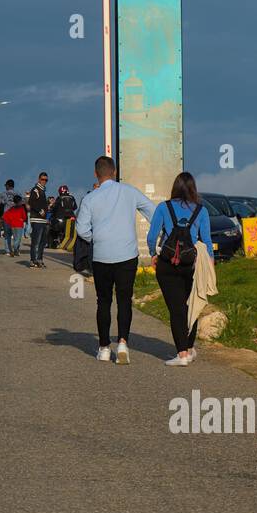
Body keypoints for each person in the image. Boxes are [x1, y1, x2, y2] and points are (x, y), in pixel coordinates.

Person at [77, 155, 156, 365]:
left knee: (103, 301)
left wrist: (97, 237)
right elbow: (153, 212)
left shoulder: (90, 198)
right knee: (124, 300)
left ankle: (103, 348)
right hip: (127, 255)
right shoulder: (129, 192)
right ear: (114, 172)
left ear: (96, 174)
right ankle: (122, 343)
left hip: (102, 256)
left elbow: (81, 229)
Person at [146, 171, 213, 367]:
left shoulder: (164, 207)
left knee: (176, 309)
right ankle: (190, 349)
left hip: (167, 265)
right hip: (191, 264)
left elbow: (152, 236)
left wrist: (153, 254)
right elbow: (207, 241)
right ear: (193, 188)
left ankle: (181, 353)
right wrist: (209, 265)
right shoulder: (201, 210)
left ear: (174, 187)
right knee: (190, 305)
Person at [26, 171, 51, 268]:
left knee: (42, 242)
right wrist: (40, 211)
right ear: (39, 179)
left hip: (43, 220)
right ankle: (33, 260)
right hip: (36, 219)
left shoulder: (43, 191)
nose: (44, 181)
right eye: (43, 179)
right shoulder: (36, 190)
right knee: (36, 241)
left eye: (46, 180)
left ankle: (39, 259)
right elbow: (31, 202)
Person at [0, 179, 26, 257]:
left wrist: (1, 216)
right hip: (17, 217)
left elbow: (1, 205)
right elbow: (23, 202)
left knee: (7, 234)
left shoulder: (3, 194)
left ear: (8, 185)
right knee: (17, 236)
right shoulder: (18, 193)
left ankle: (8, 250)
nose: (5, 187)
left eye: (6, 186)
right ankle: (16, 250)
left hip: (7, 216)